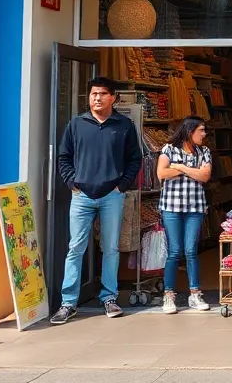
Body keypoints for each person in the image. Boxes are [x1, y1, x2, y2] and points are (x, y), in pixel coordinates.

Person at [51, 76, 142, 325]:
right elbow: (64, 157)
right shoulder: (77, 124)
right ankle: (68, 303)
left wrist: (121, 186)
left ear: (113, 97)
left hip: (112, 195)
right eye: (93, 94)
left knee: (110, 249)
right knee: (75, 248)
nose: (97, 98)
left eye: (102, 94)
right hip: (82, 196)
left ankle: (109, 298)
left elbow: (135, 159)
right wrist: (73, 183)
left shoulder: (123, 126)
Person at [157, 116, 213, 314]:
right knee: (174, 251)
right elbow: (161, 173)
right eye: (201, 130)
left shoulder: (204, 151)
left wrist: (179, 167)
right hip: (171, 207)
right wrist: (192, 171)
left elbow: (205, 176)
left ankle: (195, 293)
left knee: (191, 250)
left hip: (195, 207)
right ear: (190, 131)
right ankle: (169, 295)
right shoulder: (169, 148)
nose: (204, 134)